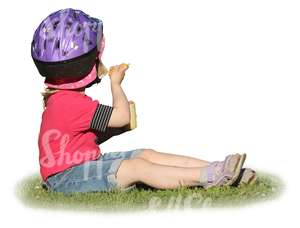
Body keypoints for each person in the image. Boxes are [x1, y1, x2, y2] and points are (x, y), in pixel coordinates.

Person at [32, 8, 256, 194]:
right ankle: (210, 176)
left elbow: (79, 140)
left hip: (80, 165)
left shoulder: (62, 100)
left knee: (145, 154)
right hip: (64, 178)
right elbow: (121, 117)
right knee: (136, 168)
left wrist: (115, 129)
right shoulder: (70, 103)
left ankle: (220, 170)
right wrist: (116, 84)